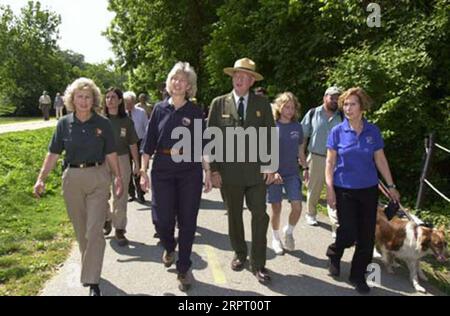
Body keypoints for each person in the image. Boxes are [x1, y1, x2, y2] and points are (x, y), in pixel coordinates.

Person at [33, 78, 123, 296]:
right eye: (79, 97)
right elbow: (53, 153)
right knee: (81, 230)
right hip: (72, 178)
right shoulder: (64, 123)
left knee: (94, 230)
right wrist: (41, 178)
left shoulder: (102, 124)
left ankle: (92, 281)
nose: (83, 101)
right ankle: (90, 266)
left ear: (94, 100)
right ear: (72, 99)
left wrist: (118, 177)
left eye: (88, 97)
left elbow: (111, 153)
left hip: (98, 177)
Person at [140, 62, 212, 291]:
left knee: (188, 220)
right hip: (162, 169)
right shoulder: (159, 109)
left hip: (189, 171)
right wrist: (143, 171)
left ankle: (183, 268)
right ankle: (169, 246)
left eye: (183, 80)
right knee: (162, 220)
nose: (178, 83)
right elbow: (148, 143)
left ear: (189, 86)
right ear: (169, 83)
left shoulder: (195, 111)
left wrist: (208, 171)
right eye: (174, 79)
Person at [325, 87, 400, 294]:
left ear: (362, 107)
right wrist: (329, 189)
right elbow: (329, 163)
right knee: (348, 232)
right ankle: (335, 253)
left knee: (366, 237)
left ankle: (358, 276)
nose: (348, 108)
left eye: (352, 104)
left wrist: (391, 186)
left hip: (368, 190)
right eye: (345, 104)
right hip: (344, 190)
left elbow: (380, 160)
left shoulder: (372, 131)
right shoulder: (337, 132)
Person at [207, 57, 276, 284]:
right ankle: (239, 253)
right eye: (236, 75)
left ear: (251, 81)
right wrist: (213, 170)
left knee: (260, 215)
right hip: (229, 173)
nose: (239, 79)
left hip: (256, 173)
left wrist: (270, 165)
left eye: (245, 76)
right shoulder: (219, 103)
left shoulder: (262, 104)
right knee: (234, 216)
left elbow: (269, 135)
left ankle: (258, 263)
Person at [300, 86, 343, 238]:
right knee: (314, 188)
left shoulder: (343, 116)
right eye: (332, 97)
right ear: (325, 97)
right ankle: (311, 213)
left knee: (335, 191)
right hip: (317, 157)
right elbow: (303, 137)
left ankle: (336, 225)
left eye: (338, 98)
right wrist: (303, 160)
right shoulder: (313, 113)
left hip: (337, 159)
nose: (335, 101)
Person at [267, 92, 305, 255]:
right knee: (276, 207)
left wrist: (306, 168)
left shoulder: (297, 127)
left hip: (292, 173)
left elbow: (300, 149)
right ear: (279, 107)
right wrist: (272, 171)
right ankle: (275, 238)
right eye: (286, 107)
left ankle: (288, 232)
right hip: (274, 173)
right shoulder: (272, 125)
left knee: (297, 206)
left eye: (292, 107)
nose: (289, 110)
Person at [103, 87, 140, 246]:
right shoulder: (98, 120)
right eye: (107, 97)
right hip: (102, 161)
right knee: (101, 194)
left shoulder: (126, 122)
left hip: (122, 159)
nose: (110, 100)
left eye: (113, 97)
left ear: (119, 101)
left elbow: (133, 145)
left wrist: (137, 164)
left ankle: (119, 229)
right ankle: (106, 218)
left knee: (121, 195)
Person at [123, 91, 149, 203]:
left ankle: (140, 193)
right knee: (127, 168)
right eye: (125, 103)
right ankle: (131, 193)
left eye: (129, 102)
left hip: (139, 142)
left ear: (134, 102)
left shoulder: (141, 112)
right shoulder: (122, 114)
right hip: (125, 144)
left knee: (138, 168)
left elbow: (146, 127)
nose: (127, 105)